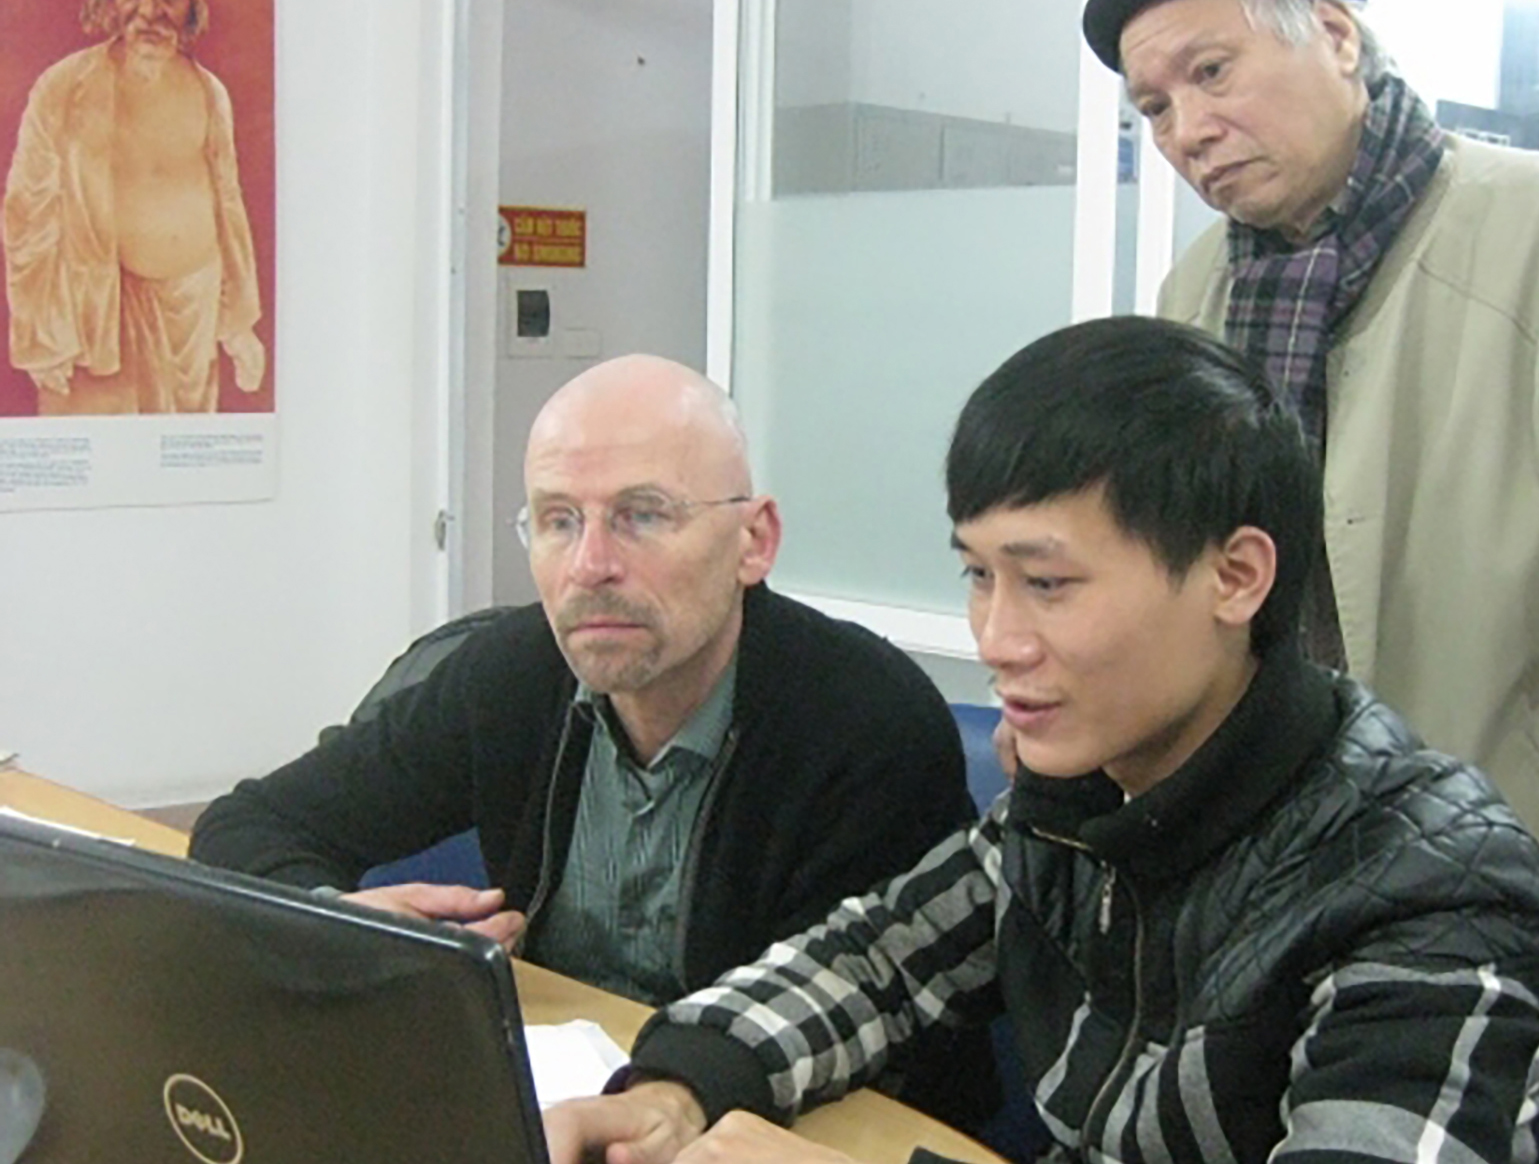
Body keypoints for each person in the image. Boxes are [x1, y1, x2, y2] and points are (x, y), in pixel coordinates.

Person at [542, 318, 1539, 1164]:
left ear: (1236, 577)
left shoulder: (1428, 880)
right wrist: (679, 1088)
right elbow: (877, 961)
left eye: (1046, 583)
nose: (997, 639)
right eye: (978, 576)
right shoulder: (1083, 798)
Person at [1080, 0, 1539, 1002]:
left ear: (1335, 34)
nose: (1187, 130)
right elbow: (1185, 579)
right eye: (1153, 107)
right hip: (1268, 876)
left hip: (1506, 866)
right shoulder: (1198, 294)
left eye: (1212, 72)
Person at [189, 354, 993, 1124]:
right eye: (558, 520)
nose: (590, 565)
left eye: (642, 515)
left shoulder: (864, 723)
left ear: (754, 541)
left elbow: (873, 1037)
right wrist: (340, 925)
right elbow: (250, 824)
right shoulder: (511, 675)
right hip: (552, 1099)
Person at [3, 0, 265, 415]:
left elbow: (227, 204)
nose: (149, 12)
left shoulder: (210, 92)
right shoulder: (63, 88)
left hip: (192, 327)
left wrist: (238, 325)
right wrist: (42, 338)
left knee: (179, 452)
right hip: (98, 322)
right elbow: (26, 214)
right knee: (100, 450)